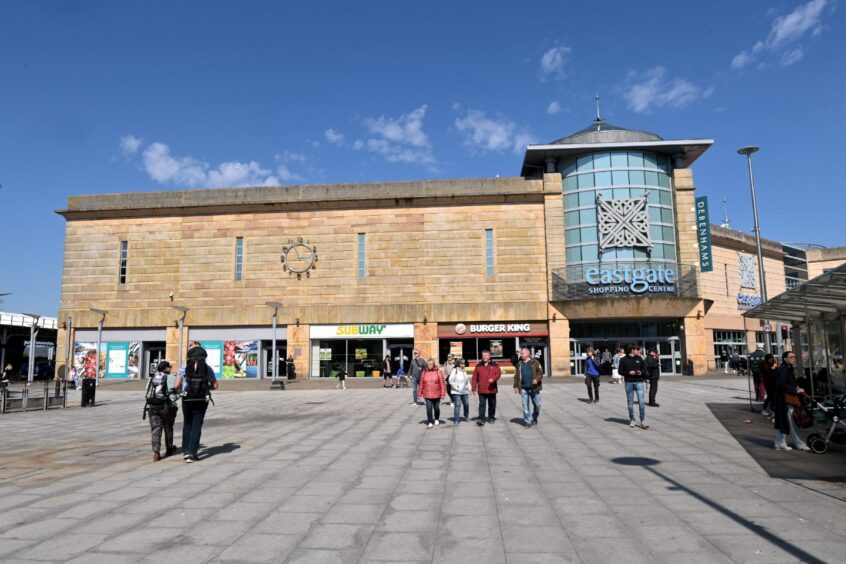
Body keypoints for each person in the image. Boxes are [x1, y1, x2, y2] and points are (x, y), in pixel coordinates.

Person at [175, 346, 218, 463]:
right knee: (197, 424)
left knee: (187, 423)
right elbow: (215, 386)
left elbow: (176, 385)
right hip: (201, 400)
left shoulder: (183, 368)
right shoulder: (207, 368)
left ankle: (185, 450)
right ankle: (192, 453)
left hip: (187, 399)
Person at [773, 351, 809, 451]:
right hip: (786, 399)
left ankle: (779, 443)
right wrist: (796, 390)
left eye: (794, 356)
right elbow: (782, 384)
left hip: (784, 399)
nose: (794, 358)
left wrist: (795, 386)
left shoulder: (786, 368)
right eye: (791, 357)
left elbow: (787, 382)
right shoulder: (784, 369)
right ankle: (799, 444)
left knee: (785, 421)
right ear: (785, 358)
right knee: (793, 422)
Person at [145, 361, 178, 461]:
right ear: (166, 368)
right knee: (168, 427)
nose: (170, 368)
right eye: (169, 367)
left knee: (155, 429)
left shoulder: (152, 377)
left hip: (152, 406)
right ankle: (169, 448)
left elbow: (147, 389)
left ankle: (156, 453)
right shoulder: (171, 377)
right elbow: (176, 390)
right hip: (167, 407)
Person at [619, 344, 648, 429]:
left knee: (641, 402)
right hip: (629, 383)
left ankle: (642, 421)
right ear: (632, 350)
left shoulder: (640, 359)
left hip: (639, 382)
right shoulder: (623, 359)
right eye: (637, 350)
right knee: (630, 403)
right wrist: (628, 372)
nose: (639, 352)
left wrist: (640, 372)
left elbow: (644, 370)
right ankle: (632, 420)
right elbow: (620, 371)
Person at [513, 347, 543, 428]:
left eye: (523, 353)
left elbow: (540, 373)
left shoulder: (535, 362)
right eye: (521, 353)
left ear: (528, 354)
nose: (521, 354)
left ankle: (534, 417)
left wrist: (537, 379)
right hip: (523, 388)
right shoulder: (519, 364)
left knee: (538, 405)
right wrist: (515, 386)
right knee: (525, 407)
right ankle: (527, 421)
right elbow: (516, 376)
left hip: (534, 388)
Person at [473, 350, 501, 426]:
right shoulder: (478, 365)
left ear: (489, 356)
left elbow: (498, 373)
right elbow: (475, 377)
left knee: (492, 404)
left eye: (485, 355)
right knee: (482, 404)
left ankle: (491, 417)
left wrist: (493, 379)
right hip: (481, 389)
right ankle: (481, 418)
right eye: (483, 355)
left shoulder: (494, 365)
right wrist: (473, 388)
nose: (484, 357)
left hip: (491, 389)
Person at [417, 358, 446, 428]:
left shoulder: (438, 372)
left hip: (437, 394)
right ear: (427, 364)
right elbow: (421, 384)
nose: (430, 365)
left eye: (431, 364)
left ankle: (436, 419)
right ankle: (430, 421)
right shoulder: (424, 372)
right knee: (429, 408)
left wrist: (443, 394)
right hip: (427, 394)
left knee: (436, 408)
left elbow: (442, 383)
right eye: (429, 364)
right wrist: (419, 394)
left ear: (433, 364)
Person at [448, 358, 471, 424]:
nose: (463, 365)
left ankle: (466, 415)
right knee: (457, 405)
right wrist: (456, 387)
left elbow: (467, 380)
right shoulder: (455, 371)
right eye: (461, 363)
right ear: (458, 364)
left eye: (463, 363)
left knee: (466, 404)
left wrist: (469, 387)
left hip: (464, 391)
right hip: (456, 392)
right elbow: (450, 380)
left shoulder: (464, 371)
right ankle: (456, 419)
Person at [760, 353, 778, 418]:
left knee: (774, 396)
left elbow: (777, 371)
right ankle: (764, 409)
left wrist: (776, 367)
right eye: (770, 359)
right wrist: (772, 368)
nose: (771, 360)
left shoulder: (774, 362)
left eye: (772, 359)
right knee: (770, 396)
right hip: (768, 382)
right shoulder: (763, 363)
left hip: (774, 381)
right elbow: (765, 371)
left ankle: (772, 409)